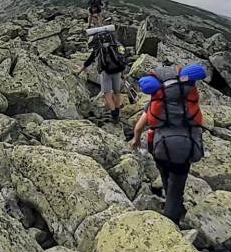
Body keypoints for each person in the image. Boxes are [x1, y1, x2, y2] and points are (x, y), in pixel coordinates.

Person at [130, 64, 208, 225]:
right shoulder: (190, 100)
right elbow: (201, 126)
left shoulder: (156, 101)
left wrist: (136, 140)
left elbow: (139, 127)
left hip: (162, 147)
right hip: (185, 148)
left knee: (166, 175)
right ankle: (172, 219)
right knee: (177, 187)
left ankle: (170, 201)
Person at [71, 35, 125, 122]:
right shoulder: (116, 44)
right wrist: (122, 74)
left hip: (105, 72)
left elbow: (90, 60)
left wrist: (80, 71)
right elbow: (121, 59)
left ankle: (114, 115)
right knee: (116, 92)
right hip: (117, 71)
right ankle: (117, 112)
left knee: (107, 93)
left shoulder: (99, 48)